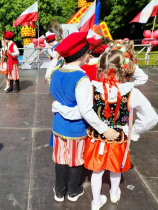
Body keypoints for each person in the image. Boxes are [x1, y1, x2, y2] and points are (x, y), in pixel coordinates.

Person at [49, 32, 119, 203]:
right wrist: (105, 129)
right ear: (83, 55)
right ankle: (73, 191)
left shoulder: (56, 72)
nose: (89, 54)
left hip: (58, 125)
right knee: (75, 160)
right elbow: (86, 111)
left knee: (60, 159)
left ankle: (59, 192)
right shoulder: (82, 78)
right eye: (88, 52)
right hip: (75, 128)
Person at [83, 50, 158, 210]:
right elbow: (151, 117)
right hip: (119, 137)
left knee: (97, 171)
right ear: (124, 69)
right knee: (116, 168)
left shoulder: (92, 88)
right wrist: (133, 130)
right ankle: (114, 193)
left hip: (97, 137)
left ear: (101, 68)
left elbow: (86, 110)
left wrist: (102, 127)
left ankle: (96, 202)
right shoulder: (131, 91)